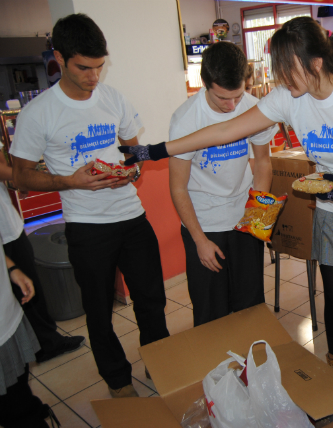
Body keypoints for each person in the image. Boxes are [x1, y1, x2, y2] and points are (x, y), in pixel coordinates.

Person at [120, 17, 333, 397]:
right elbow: (226, 130)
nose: (282, 82)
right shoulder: (287, 99)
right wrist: (154, 150)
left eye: (287, 71)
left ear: (316, 63)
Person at [9, 13, 169, 399]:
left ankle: (162, 362)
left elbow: (133, 151)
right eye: (84, 67)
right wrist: (69, 180)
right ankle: (118, 381)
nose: (94, 77)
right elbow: (20, 176)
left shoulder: (113, 98)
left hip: (131, 217)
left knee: (152, 299)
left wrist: (131, 171)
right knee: (98, 311)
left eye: (99, 67)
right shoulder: (38, 114)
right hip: (86, 226)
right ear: (59, 58)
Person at [169, 42, 277, 327]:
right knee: (211, 314)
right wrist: (199, 241)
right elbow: (178, 188)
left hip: (244, 219)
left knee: (250, 308)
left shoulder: (256, 110)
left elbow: (263, 163)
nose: (231, 107)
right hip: (205, 223)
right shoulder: (185, 120)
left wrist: (257, 217)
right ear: (204, 83)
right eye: (221, 99)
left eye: (237, 96)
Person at [0, 145, 86, 364]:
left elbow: (4, 167)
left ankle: (44, 343)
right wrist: (27, 177)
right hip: (6, 234)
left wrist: (18, 180)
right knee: (20, 295)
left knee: (29, 290)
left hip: (10, 228)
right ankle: (41, 345)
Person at [0, 249, 60, 427]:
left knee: (19, 388)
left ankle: (29, 409)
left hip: (7, 315)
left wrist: (11, 269)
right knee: (13, 407)